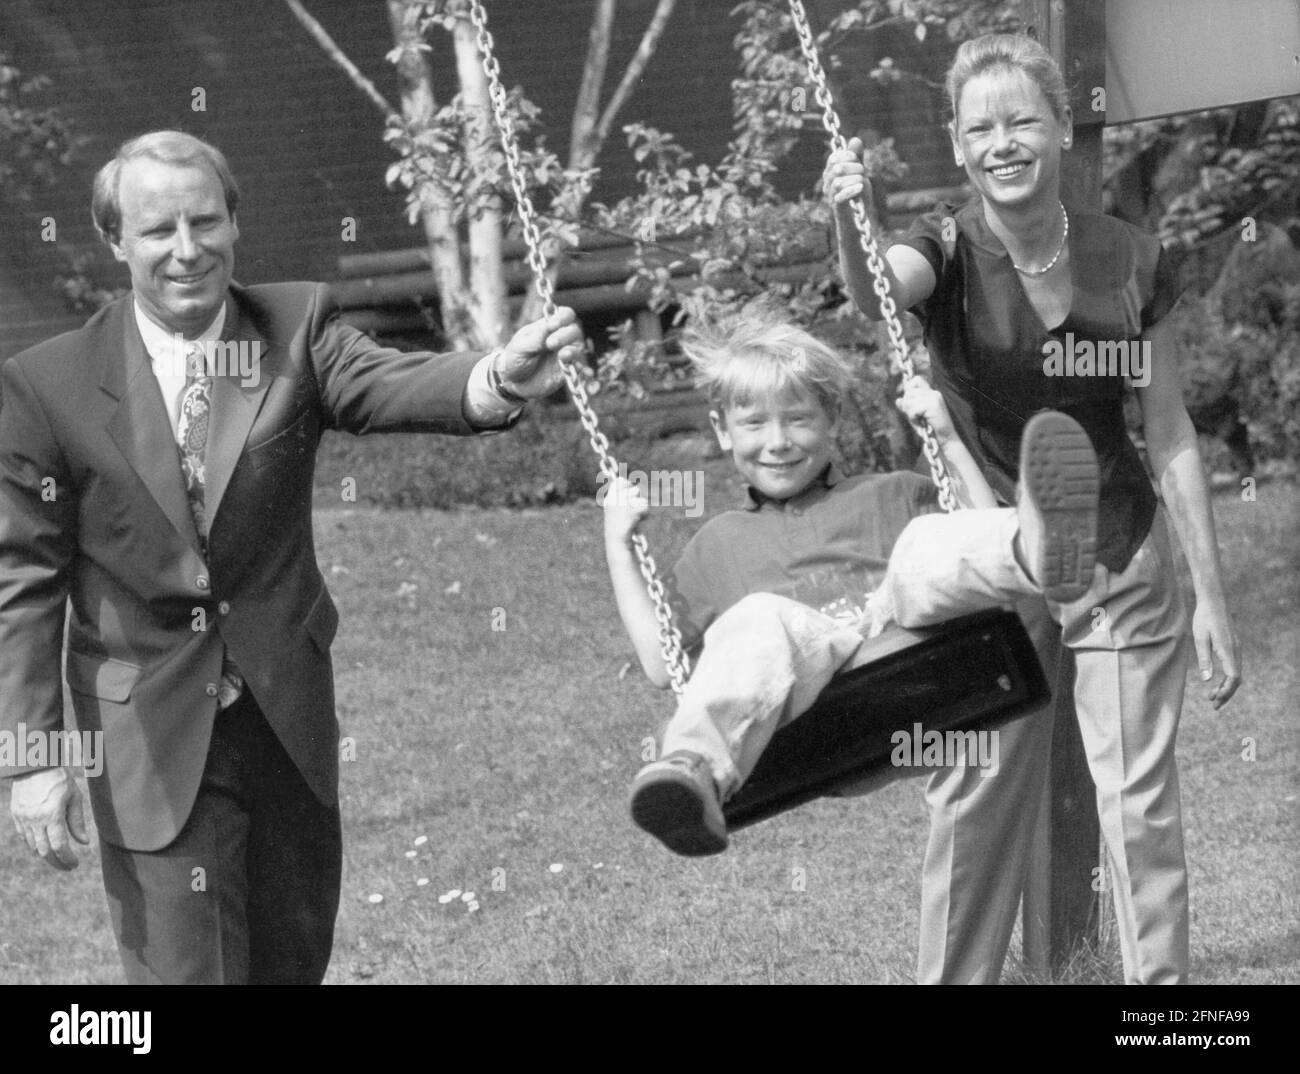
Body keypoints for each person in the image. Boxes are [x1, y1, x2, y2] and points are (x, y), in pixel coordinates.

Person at [0, 130, 585, 984]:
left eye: (207, 222)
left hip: (285, 726)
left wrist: (495, 376)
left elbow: (384, 383)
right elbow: (22, 583)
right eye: (159, 231)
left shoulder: (295, 325)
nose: (187, 250)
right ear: (115, 241)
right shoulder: (47, 384)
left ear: (236, 224)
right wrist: (31, 755)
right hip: (148, 740)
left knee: (288, 967)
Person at [824, 33, 1242, 984]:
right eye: (980, 128)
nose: (1002, 141)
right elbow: (878, 293)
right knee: (974, 795)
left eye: (1021, 119)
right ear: (959, 147)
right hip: (993, 555)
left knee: (1137, 803)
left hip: (1118, 552)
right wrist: (852, 217)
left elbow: (1168, 431)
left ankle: (1162, 1011)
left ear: (1060, 127)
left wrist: (1212, 599)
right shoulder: (945, 250)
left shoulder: (1129, 260)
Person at [602, 308, 1100, 864]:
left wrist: (948, 442)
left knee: (921, 548)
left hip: (913, 671)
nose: (779, 442)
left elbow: (970, 546)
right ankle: (693, 773)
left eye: (798, 419)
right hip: (817, 719)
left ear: (832, 418)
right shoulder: (717, 544)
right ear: (722, 430)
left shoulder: (890, 494)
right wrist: (618, 545)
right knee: (758, 617)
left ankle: (1032, 546)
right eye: (754, 424)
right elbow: (658, 663)